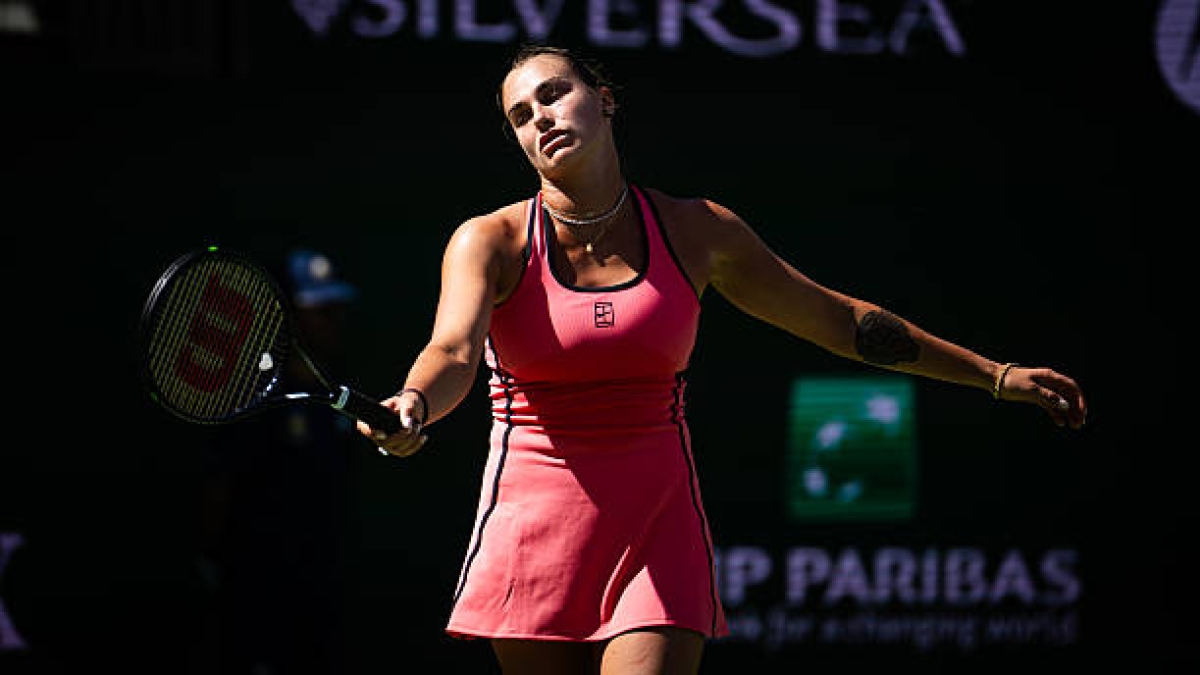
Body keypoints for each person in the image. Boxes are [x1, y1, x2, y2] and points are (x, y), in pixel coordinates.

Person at [358, 44, 1088, 675]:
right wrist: (415, 400)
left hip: (658, 524)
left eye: (555, 93)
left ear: (604, 102)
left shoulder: (699, 229)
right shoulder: (490, 239)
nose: (542, 116)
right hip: (532, 524)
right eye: (521, 114)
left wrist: (992, 374)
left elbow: (837, 320)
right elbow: (452, 349)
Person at [195, 248, 360, 675]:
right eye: (320, 310)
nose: (333, 320)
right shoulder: (253, 401)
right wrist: (214, 563)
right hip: (257, 595)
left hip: (323, 592)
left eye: (337, 308)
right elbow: (221, 487)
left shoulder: (335, 396)